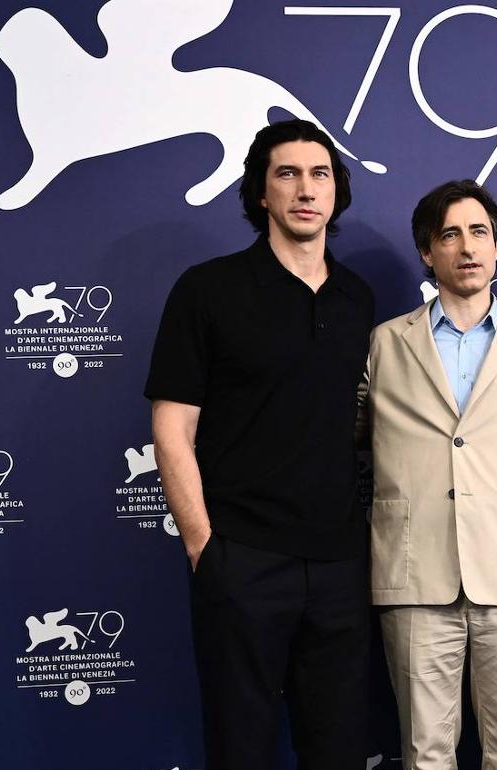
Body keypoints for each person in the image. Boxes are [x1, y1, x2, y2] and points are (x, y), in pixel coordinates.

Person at [146, 119, 374, 769]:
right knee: (239, 748)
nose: (306, 189)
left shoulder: (358, 298)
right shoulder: (208, 290)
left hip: (339, 565)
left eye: (320, 174)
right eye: (288, 174)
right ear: (261, 194)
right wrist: (204, 548)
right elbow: (172, 426)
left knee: (338, 751)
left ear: (336, 193)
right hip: (242, 558)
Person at [360, 180, 497, 769]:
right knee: (424, 754)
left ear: (496, 247)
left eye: (480, 233)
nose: (467, 247)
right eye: (450, 234)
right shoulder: (384, 344)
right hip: (415, 571)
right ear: (428, 252)